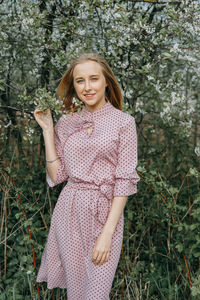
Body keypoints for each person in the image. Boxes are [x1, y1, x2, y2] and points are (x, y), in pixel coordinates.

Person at [33, 52, 140, 300]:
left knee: (96, 294)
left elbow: (124, 180)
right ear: (74, 86)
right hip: (69, 211)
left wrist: (107, 234)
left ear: (106, 82)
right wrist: (48, 130)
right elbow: (58, 174)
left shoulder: (123, 122)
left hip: (105, 214)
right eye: (80, 81)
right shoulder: (68, 122)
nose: (87, 87)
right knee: (77, 293)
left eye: (93, 79)